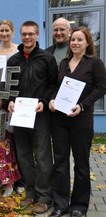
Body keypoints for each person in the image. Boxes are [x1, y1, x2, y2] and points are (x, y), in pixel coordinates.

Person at [48, 26, 106, 217]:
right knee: (60, 162)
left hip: (81, 120)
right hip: (59, 120)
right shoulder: (64, 62)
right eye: (73, 40)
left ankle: (79, 206)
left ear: (87, 43)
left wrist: (82, 105)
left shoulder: (94, 63)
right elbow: (58, 87)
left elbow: (101, 87)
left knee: (81, 164)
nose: (75, 43)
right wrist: (52, 100)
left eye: (80, 40)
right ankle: (61, 204)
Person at [7, 21, 58, 214]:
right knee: (24, 156)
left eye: (31, 34)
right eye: (24, 34)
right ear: (20, 35)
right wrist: (9, 101)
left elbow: (53, 85)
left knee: (43, 155)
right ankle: (30, 193)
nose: (27, 37)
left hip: (39, 114)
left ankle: (44, 196)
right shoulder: (13, 60)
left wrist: (44, 102)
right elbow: (8, 88)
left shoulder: (47, 58)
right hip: (19, 115)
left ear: (37, 35)